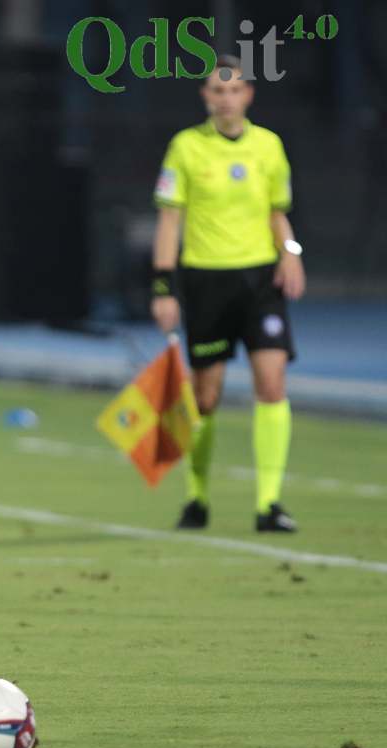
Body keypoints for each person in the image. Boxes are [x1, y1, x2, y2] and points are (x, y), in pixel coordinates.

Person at [152, 54, 303, 533]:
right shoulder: (186, 148)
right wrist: (163, 287)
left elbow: (277, 211)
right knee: (205, 397)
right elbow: (169, 220)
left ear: (248, 94)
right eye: (217, 91)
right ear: (205, 96)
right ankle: (197, 498)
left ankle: (269, 504)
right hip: (206, 280)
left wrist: (291, 252)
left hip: (260, 280)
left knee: (272, 385)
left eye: (234, 90)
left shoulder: (269, 147)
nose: (226, 99)